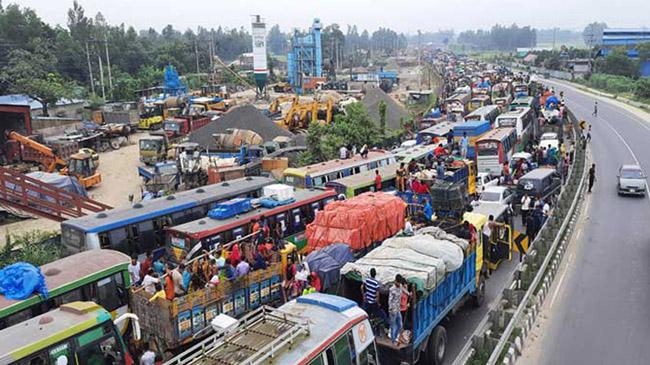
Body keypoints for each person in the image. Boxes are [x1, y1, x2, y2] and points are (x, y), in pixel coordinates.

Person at [388, 275, 403, 345]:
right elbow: (390, 300)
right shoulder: (392, 289)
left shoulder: (400, 287)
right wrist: (391, 309)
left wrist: (409, 294)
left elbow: (404, 290)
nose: (399, 284)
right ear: (395, 281)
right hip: (393, 310)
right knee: (393, 326)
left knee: (400, 325)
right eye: (398, 283)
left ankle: (396, 337)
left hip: (398, 309)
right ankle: (393, 340)